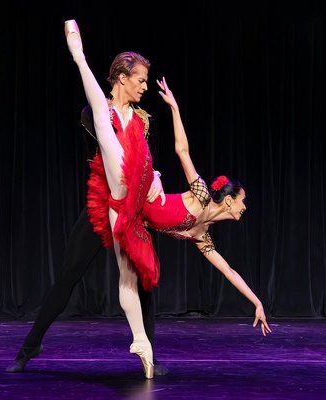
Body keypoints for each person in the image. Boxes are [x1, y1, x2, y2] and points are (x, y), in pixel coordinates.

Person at [65, 19, 272, 379]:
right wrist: (175, 109)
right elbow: (181, 149)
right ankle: (79, 57)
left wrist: (256, 301)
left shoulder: (200, 236)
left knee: (128, 275)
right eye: (243, 202)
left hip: (127, 212)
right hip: (133, 182)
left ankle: (141, 343)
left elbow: (229, 271)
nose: (245, 208)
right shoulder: (201, 194)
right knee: (102, 118)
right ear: (228, 199)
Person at [5, 49, 169, 376]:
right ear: (122, 78)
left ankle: (149, 353)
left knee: (143, 281)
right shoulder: (92, 112)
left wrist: (158, 177)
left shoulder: (143, 119)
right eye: (140, 80)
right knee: (68, 277)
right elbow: (115, 155)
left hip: (131, 207)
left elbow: (145, 160)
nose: (144, 87)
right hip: (103, 204)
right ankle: (29, 346)